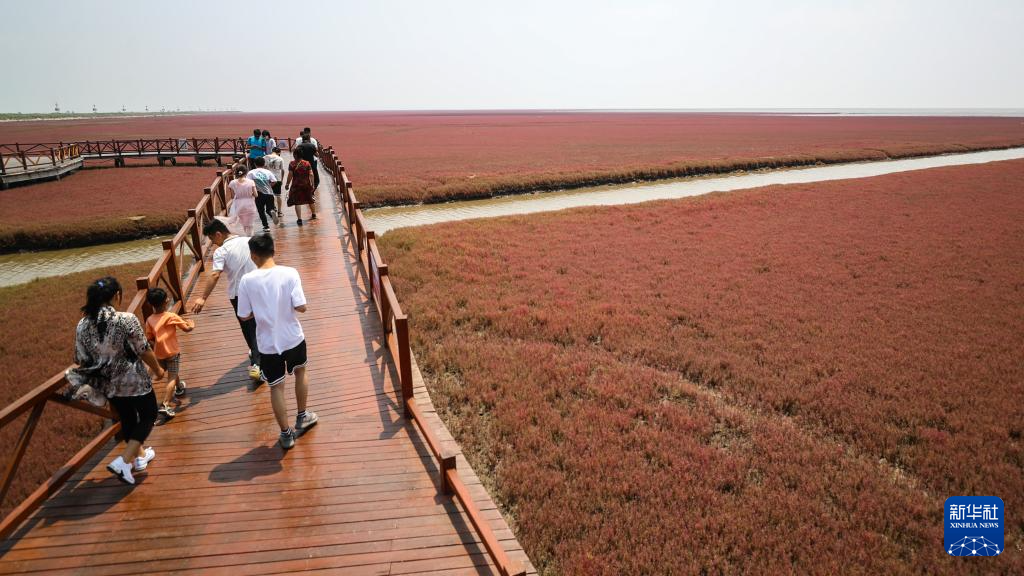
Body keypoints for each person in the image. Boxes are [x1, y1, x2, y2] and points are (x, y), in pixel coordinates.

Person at [67, 277, 165, 485]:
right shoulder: (126, 319)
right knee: (149, 415)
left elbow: (79, 358)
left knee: (128, 418)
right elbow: (143, 349)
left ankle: (139, 458)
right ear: (115, 296)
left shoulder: (82, 325)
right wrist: (157, 369)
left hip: (108, 384)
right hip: (134, 380)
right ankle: (123, 461)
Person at [236, 234, 318, 449]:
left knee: (276, 387)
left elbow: (243, 315)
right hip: (292, 337)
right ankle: (303, 416)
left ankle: (286, 434)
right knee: (301, 372)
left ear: (253, 256)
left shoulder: (247, 280)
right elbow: (301, 306)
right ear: (274, 250)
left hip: (268, 344)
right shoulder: (290, 273)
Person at [191, 219, 262, 381]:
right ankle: (262, 354)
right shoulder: (249, 241)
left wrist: (202, 298)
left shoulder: (222, 251)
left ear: (218, 234)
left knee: (248, 327)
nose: (213, 243)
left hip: (239, 294)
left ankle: (257, 364)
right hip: (259, 289)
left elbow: (215, 274)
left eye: (212, 239)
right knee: (261, 323)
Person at [144, 288, 195, 423]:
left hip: (159, 354)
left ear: (150, 304)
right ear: (166, 301)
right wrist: (191, 324)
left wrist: (157, 343)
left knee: (172, 370)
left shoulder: (149, 320)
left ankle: (179, 387)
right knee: (171, 377)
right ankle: (165, 404)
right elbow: (186, 329)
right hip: (172, 352)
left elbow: (149, 338)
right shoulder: (171, 316)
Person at [285, 149, 316, 225]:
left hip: (296, 185)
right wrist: (313, 184)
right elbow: (311, 174)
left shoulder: (292, 164)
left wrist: (287, 184)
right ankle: (314, 214)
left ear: (295, 155)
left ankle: (299, 219)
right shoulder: (307, 163)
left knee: (297, 202)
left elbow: (290, 175)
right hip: (306, 184)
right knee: (310, 199)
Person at [247, 157, 279, 230]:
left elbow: (248, 183)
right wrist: (268, 186)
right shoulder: (268, 172)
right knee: (269, 209)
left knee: (261, 210)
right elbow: (274, 181)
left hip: (259, 194)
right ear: (264, 164)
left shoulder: (251, 172)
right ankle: (271, 213)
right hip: (269, 193)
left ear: (255, 164)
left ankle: (266, 226)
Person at [228, 165, 259, 235]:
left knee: (242, 224)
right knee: (250, 225)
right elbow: (256, 195)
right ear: (246, 173)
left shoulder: (232, 183)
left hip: (238, 204)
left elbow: (233, 196)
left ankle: (243, 238)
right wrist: (249, 194)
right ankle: (250, 238)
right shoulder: (251, 182)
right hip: (249, 204)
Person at [265, 147, 286, 226]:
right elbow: (282, 170)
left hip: (268, 178)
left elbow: (264, 167)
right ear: (279, 152)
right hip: (277, 178)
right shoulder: (280, 159)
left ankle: (273, 208)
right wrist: (282, 179)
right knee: (278, 195)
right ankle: (280, 212)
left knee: (270, 194)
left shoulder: (265, 157)